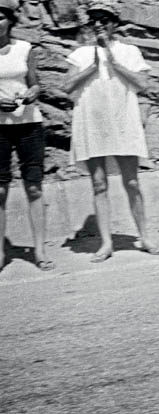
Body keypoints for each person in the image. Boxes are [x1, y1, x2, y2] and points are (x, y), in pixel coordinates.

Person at [62, 0, 159, 263]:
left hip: (122, 120)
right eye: (94, 19)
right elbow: (67, 86)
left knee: (131, 181)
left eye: (104, 19)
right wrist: (93, 67)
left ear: (115, 24)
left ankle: (144, 236)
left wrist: (114, 62)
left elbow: (142, 83)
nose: (98, 24)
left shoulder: (129, 51)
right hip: (93, 121)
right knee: (98, 183)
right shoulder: (81, 54)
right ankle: (106, 243)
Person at [0, 0, 53, 271]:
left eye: (0, 17)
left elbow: (34, 83)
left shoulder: (24, 48)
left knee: (33, 186)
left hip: (29, 124)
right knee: (0, 190)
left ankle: (40, 251)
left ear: (9, 20)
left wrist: (33, 93)